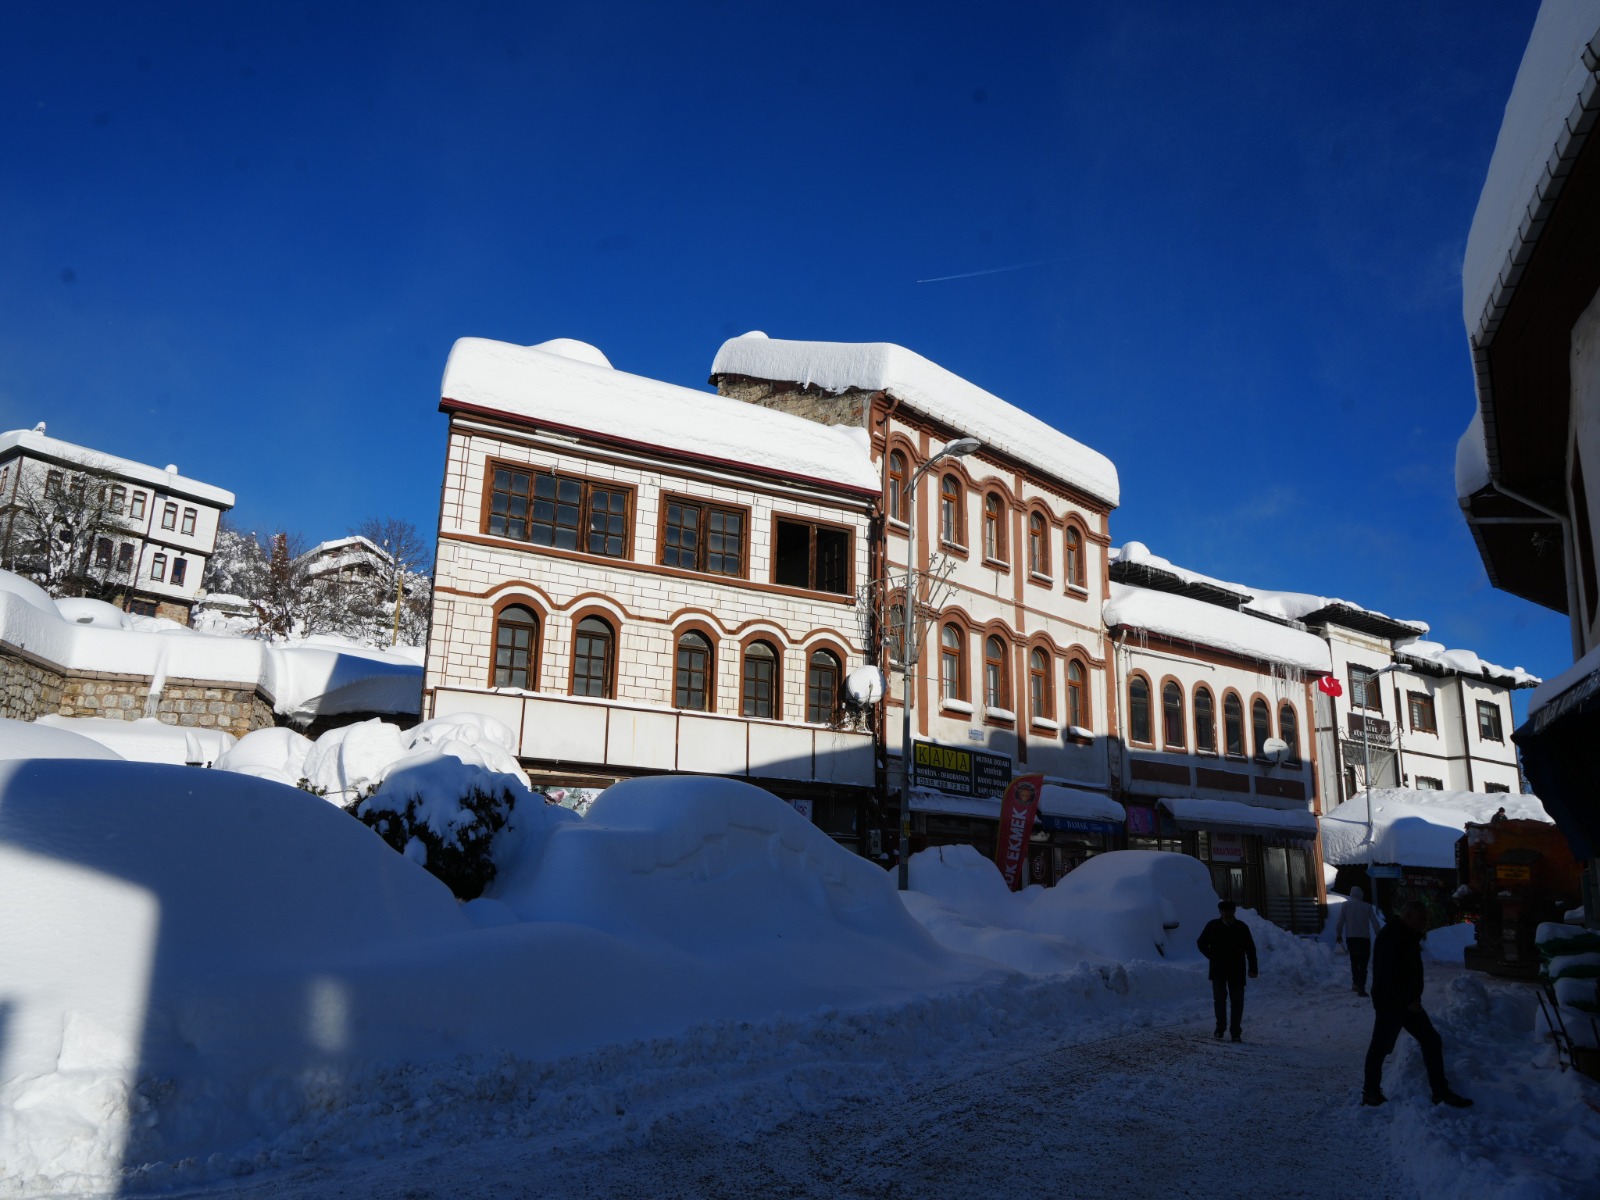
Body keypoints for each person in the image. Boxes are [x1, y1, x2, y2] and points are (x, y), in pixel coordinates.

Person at [1362, 900, 1472, 1108]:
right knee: (1381, 1047)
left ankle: (1440, 1091)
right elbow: (1388, 975)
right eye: (1422, 919)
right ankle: (1371, 1092)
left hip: (1406, 1003)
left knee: (1430, 1041)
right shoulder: (1392, 937)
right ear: (1408, 916)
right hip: (1392, 1003)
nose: (1425, 923)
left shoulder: (1406, 935)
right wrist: (1408, 1000)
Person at [1196, 899, 1258, 1042]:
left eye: (1230, 911)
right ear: (1220, 912)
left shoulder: (1242, 928)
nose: (1227, 914)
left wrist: (1253, 968)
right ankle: (1220, 1028)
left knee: (1237, 1001)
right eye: (1225, 911)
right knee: (1219, 1000)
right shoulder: (1212, 926)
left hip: (1237, 969)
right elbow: (1201, 943)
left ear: (1234, 911)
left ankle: (1235, 1032)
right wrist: (1212, 956)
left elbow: (1250, 949)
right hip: (1218, 970)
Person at [1336, 885, 1381, 997]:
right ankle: (1362, 987)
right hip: (1364, 939)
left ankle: (1355, 983)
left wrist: (1338, 934)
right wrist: (1379, 934)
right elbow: (1375, 922)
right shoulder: (1367, 906)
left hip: (1351, 938)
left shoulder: (1345, 905)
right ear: (1361, 895)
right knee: (1363, 964)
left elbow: (1340, 921)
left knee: (1354, 962)